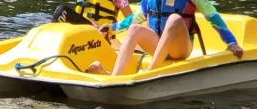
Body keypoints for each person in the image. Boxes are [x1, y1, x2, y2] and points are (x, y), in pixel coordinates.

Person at [88, 0, 243, 76]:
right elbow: (136, 18)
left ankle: (149, 72)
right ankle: (114, 79)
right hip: (157, 47)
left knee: (174, 19)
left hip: (180, 48)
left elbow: (212, 16)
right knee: (134, 29)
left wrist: (231, 42)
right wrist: (113, 28)